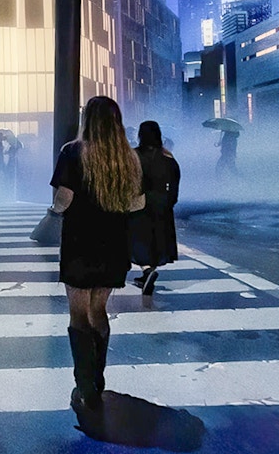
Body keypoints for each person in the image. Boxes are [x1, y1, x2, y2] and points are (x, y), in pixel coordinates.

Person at [50, 95, 144, 419]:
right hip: (114, 246)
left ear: (86, 119)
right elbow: (137, 203)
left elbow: (64, 198)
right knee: (99, 311)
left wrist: (54, 210)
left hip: (79, 244)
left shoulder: (72, 152)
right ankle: (97, 378)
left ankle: (84, 385)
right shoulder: (127, 158)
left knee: (77, 315)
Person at [129, 121, 181, 296]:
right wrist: (171, 201)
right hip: (163, 204)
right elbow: (175, 181)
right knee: (158, 239)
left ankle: (147, 270)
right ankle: (149, 271)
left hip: (140, 202)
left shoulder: (134, 156)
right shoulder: (168, 157)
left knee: (137, 239)